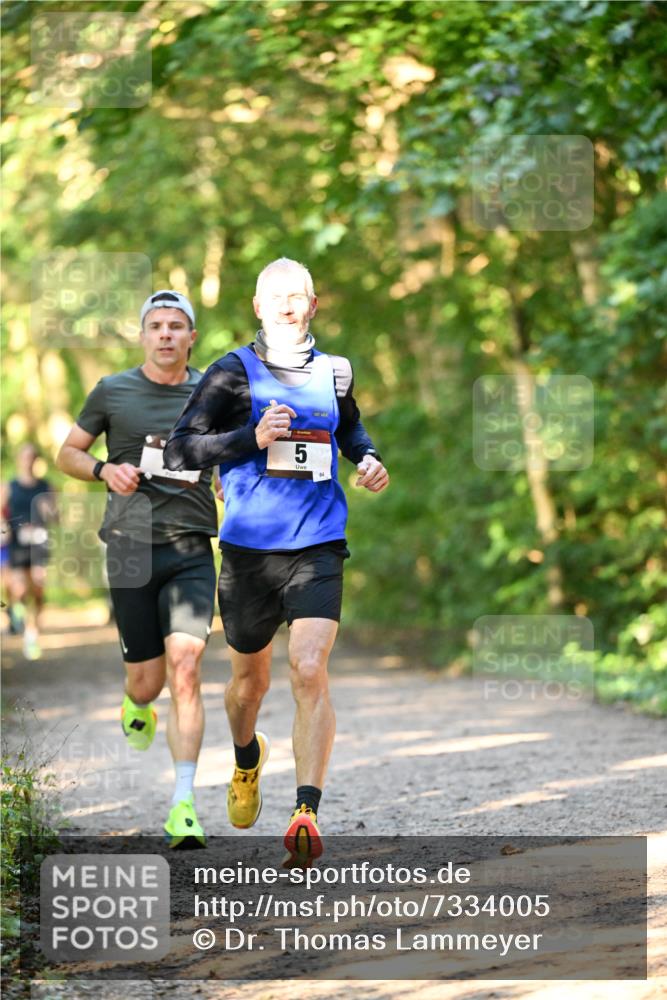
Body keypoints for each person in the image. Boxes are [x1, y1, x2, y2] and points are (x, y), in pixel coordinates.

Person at [164, 258, 389, 866]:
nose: (289, 306)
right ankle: (246, 758)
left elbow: (351, 431)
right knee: (249, 685)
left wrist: (367, 460)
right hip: (248, 551)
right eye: (276, 297)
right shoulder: (231, 373)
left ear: (313, 306)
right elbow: (182, 449)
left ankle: (306, 811)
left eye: (300, 296)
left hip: (318, 541)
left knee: (309, 666)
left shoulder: (335, 372)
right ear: (257, 306)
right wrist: (250, 439)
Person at [56, 290, 218, 848]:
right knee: (148, 683)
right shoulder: (113, 391)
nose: (167, 334)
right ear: (144, 335)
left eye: (177, 325)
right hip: (128, 545)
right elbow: (67, 453)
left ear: (192, 337)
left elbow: (231, 452)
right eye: (157, 325)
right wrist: (104, 470)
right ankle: (135, 701)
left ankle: (184, 804)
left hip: (192, 545)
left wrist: (224, 475)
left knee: (187, 670)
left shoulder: (212, 391)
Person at [3, 443, 56, 659]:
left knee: (38, 588)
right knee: (19, 589)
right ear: (19, 460)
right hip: (17, 542)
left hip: (39, 543)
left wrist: (49, 511)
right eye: (25, 457)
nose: (28, 460)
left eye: (32, 457)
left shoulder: (46, 486)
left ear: (36, 460)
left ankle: (32, 634)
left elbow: (56, 516)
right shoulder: (9, 486)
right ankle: (16, 611)